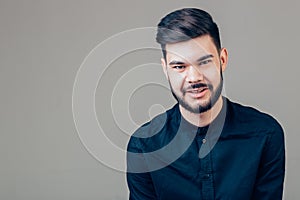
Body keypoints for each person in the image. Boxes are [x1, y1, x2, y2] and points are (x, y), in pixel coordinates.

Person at [126, 8, 285, 200]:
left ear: (222, 59)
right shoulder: (144, 145)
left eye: (204, 62)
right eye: (179, 66)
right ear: (165, 69)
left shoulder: (265, 134)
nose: (194, 77)